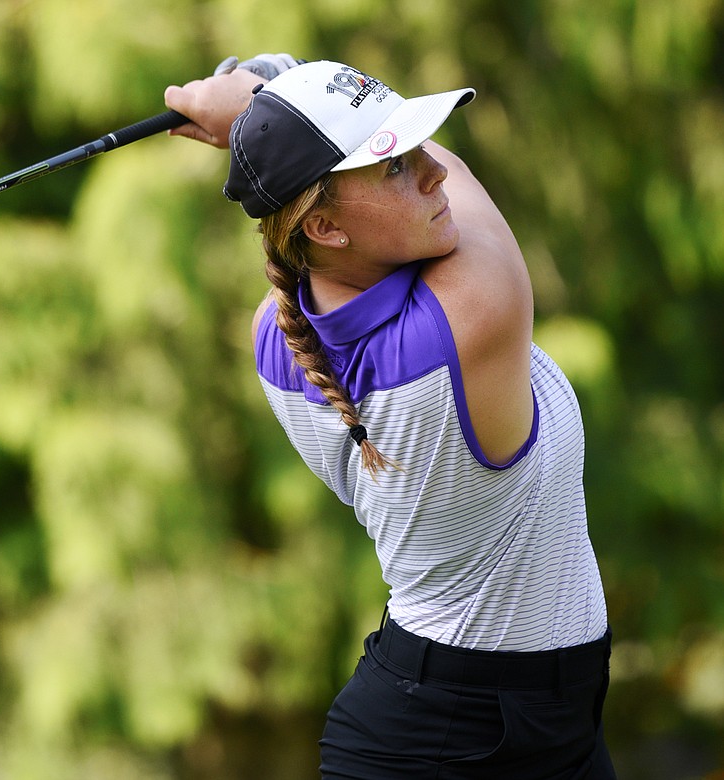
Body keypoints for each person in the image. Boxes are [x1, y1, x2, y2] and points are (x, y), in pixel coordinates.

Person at [163, 55, 615, 778]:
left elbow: (354, 224)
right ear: (326, 228)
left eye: (414, 149)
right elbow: (460, 179)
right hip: (449, 740)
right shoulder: (471, 314)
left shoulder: (274, 336)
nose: (430, 170)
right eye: (395, 165)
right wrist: (261, 99)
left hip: (511, 720)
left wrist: (277, 114)